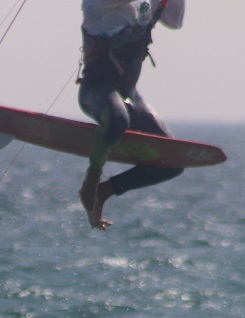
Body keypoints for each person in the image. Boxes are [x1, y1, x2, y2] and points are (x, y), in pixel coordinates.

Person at [78, 0, 186, 230]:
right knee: (118, 120)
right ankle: (91, 178)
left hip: (129, 96)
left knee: (173, 161)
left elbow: (175, 21)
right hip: (97, 91)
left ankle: (104, 191)